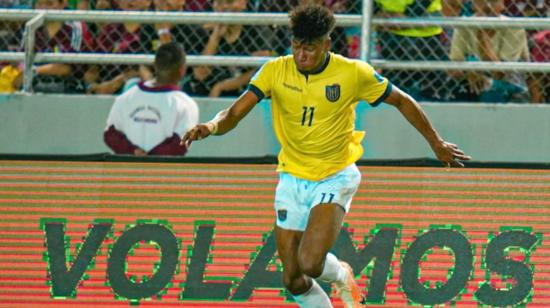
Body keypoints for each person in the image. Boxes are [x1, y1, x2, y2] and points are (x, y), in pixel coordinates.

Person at [181, 4, 470, 307]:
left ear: (327, 44)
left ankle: (342, 273)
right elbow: (235, 112)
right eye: (296, 46)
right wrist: (211, 126)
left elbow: (402, 101)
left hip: (335, 175)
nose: (301, 55)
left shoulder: (352, 72)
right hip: (292, 177)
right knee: (293, 278)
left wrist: (435, 143)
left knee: (309, 262)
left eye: (309, 48)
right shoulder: (275, 70)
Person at [104, 42, 198, 156]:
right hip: (162, 172)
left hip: (128, 171)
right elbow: (181, 144)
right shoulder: (186, 104)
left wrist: (133, 152)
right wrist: (150, 159)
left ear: (154, 65)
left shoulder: (126, 97)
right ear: (182, 70)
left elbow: (110, 134)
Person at [183, 0, 273, 97]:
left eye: (230, 2)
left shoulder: (256, 30)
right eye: (219, 2)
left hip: (244, 92)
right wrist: (216, 36)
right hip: (207, 89)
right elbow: (200, 73)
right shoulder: (205, 31)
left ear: (243, 3)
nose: (225, 6)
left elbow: (262, 70)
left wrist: (221, 86)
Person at [448, 0, 531, 102]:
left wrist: (483, 40)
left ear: (502, 5)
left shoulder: (513, 27)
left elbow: (500, 74)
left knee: (489, 87)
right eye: (481, 2)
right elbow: (454, 69)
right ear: (473, 5)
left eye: (493, 1)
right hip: (472, 78)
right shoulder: (464, 25)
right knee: (458, 86)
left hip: (510, 84)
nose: (487, 6)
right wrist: (470, 72)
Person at [373, 0, 448, 101]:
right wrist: (376, 13)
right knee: (394, 91)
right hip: (391, 32)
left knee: (432, 92)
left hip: (425, 33)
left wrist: (408, 16)